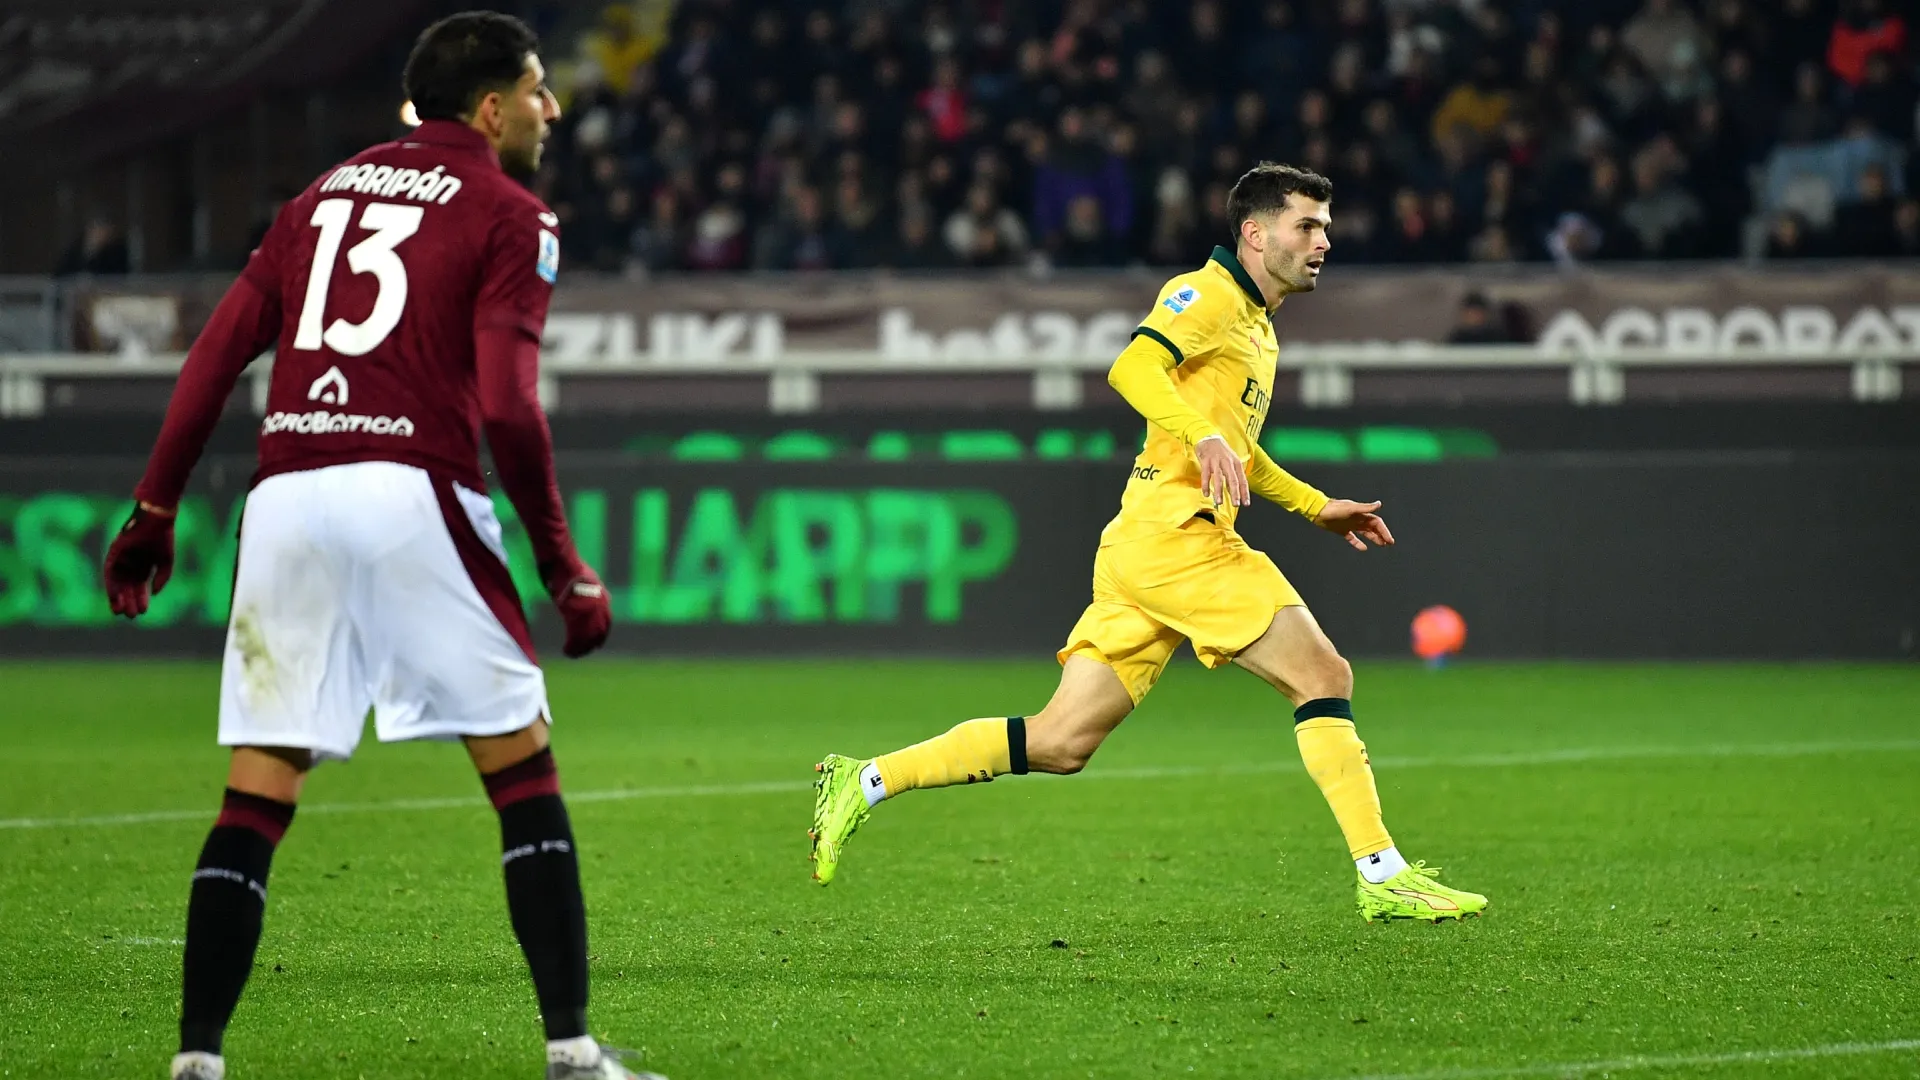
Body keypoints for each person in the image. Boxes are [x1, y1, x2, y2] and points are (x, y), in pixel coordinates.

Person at [100, 13, 656, 1080]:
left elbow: (216, 355)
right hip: (412, 488)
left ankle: (197, 1062)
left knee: (258, 788)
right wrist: (561, 565)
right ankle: (574, 1052)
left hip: (288, 497)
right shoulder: (512, 213)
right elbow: (508, 407)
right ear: (489, 108)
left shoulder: (322, 195)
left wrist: (156, 509)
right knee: (521, 767)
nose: (553, 108)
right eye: (538, 90)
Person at [807, 164, 1488, 924]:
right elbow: (1131, 363)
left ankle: (863, 779)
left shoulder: (1259, 327)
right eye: (1307, 225)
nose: (1323, 241)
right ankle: (1384, 873)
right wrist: (1200, 434)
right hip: (1177, 538)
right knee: (1322, 672)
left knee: (1062, 740)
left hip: (1141, 545)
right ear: (1256, 234)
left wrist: (1315, 505)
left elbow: (1239, 450)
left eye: (1325, 226)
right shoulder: (1206, 294)